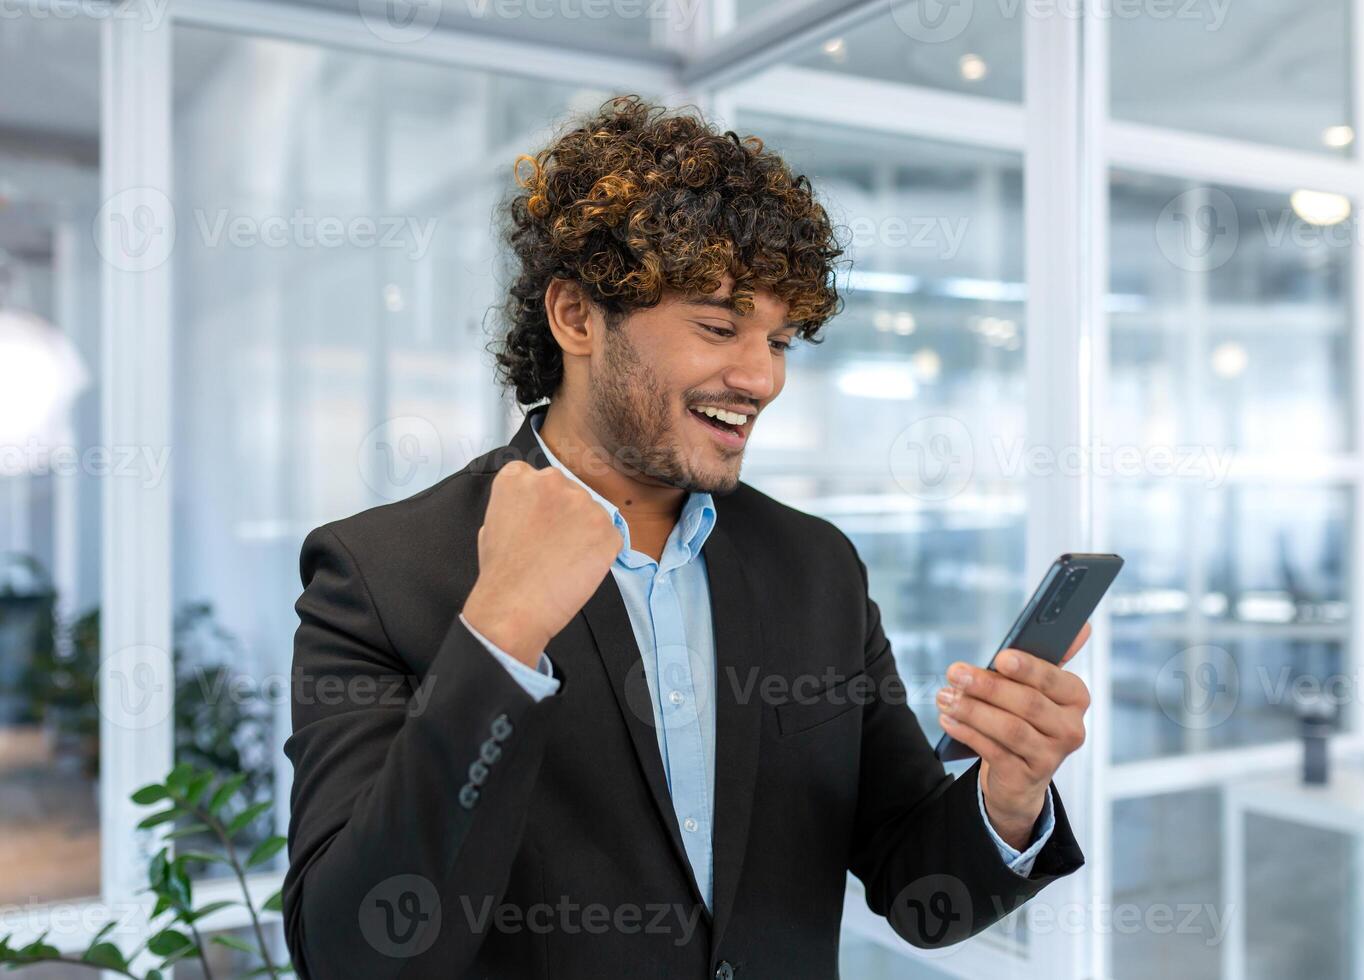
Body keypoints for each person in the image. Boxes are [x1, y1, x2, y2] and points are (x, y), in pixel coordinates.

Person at [282, 94, 1090, 979]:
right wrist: (500, 636)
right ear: (577, 318)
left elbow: (917, 890)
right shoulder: (380, 573)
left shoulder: (815, 566)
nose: (759, 376)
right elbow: (352, 952)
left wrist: (1009, 797)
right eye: (717, 325)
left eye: (780, 339)